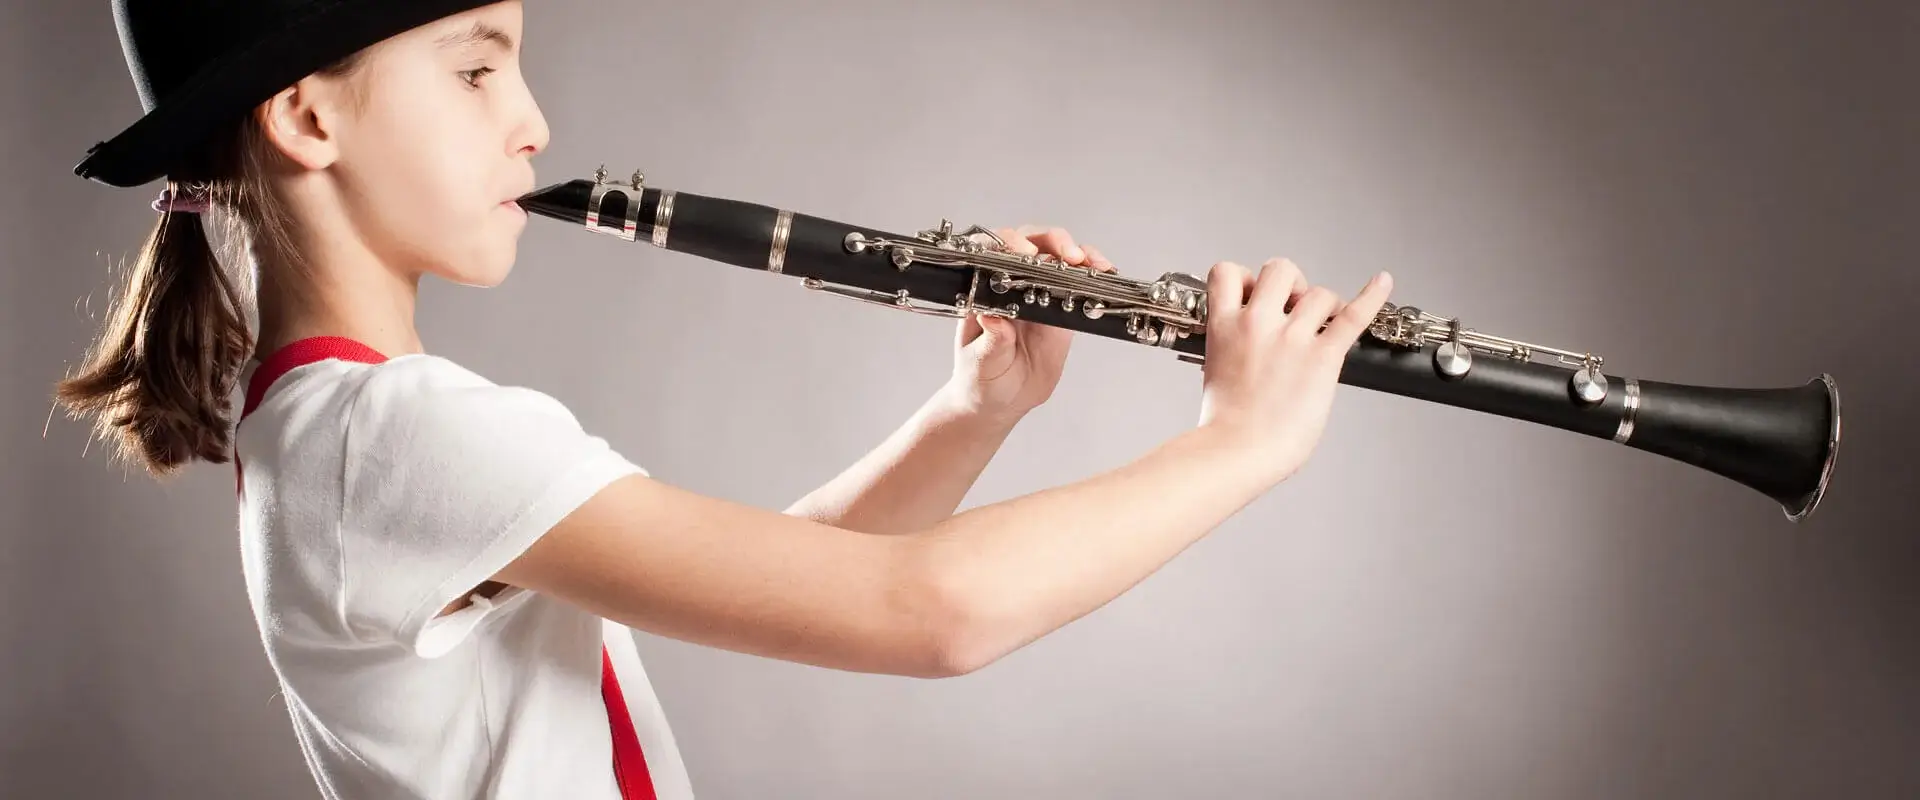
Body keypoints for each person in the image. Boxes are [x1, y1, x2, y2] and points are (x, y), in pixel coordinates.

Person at [58, 0, 1394, 797]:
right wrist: (1243, 441)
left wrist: (973, 412)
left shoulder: (335, 428)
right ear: (308, 118)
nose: (531, 121)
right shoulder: (397, 433)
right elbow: (933, 614)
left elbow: (790, 574)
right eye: (476, 69)